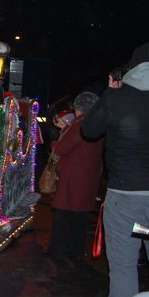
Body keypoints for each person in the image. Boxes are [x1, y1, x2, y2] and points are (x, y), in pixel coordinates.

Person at [83, 42, 149, 297]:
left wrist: (112, 93)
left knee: (125, 265)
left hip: (127, 199)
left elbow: (89, 130)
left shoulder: (119, 97)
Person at [47, 92, 103, 261]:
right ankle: (76, 251)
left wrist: (59, 136)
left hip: (72, 178)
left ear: (78, 108)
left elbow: (62, 148)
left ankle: (57, 251)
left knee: (63, 216)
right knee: (80, 217)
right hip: (89, 177)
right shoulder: (98, 125)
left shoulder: (78, 125)